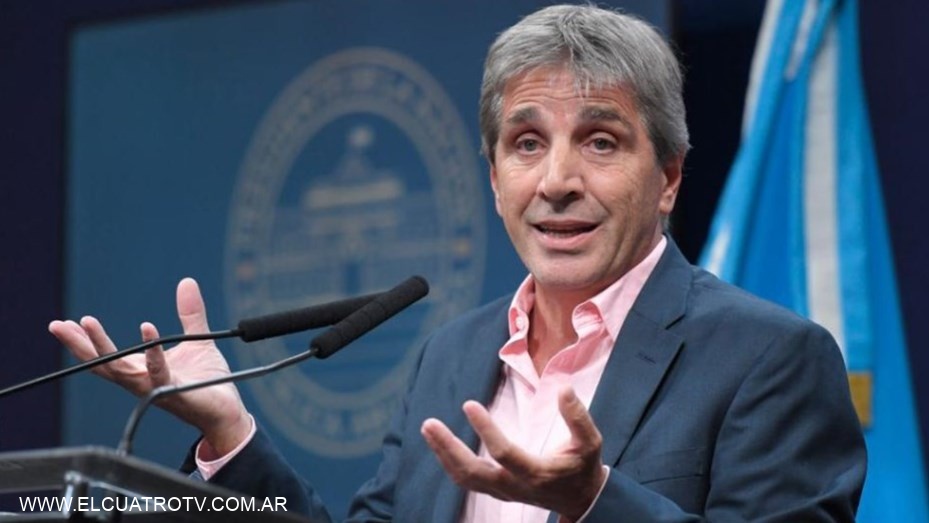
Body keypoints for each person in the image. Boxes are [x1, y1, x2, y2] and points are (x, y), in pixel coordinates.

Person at [50, 4, 866, 522]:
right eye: (526, 143)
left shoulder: (769, 357)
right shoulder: (451, 356)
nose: (556, 181)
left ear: (669, 178)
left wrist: (593, 500)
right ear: (494, 177)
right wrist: (230, 432)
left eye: (600, 141)